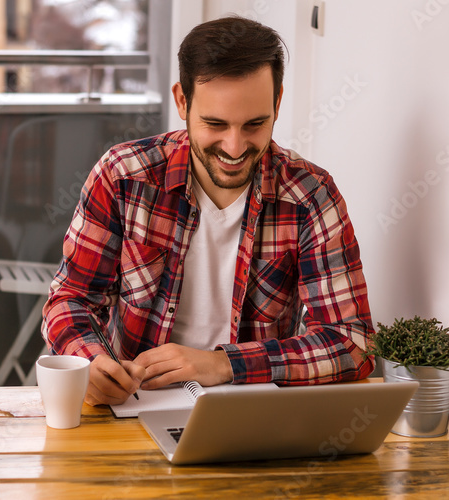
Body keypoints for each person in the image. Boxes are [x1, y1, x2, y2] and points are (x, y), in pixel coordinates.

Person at [41, 16, 374, 406]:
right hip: (133, 405)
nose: (235, 147)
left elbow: (352, 343)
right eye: (215, 124)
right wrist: (90, 361)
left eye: (254, 124)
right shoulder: (123, 176)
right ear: (182, 101)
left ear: (277, 102)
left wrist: (224, 365)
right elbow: (70, 299)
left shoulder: (310, 196)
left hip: (250, 411)